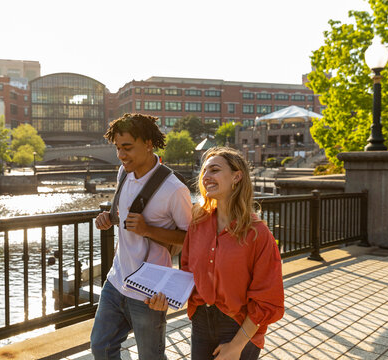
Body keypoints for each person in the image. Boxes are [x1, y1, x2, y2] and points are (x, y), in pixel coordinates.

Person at [149, 147, 284, 360]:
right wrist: (167, 297)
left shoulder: (258, 234)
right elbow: (188, 274)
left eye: (214, 170)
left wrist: (236, 346)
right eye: (204, 171)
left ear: (236, 177)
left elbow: (267, 300)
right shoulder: (198, 224)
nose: (205, 177)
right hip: (201, 322)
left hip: (238, 326)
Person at [90, 113, 192, 360]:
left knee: (151, 357)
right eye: (117, 148)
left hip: (149, 291)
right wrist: (108, 219)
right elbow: (122, 215)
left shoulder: (174, 189)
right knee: (100, 348)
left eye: (127, 148)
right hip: (116, 281)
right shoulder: (123, 173)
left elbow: (191, 238)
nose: (121, 155)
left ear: (148, 144)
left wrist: (148, 230)